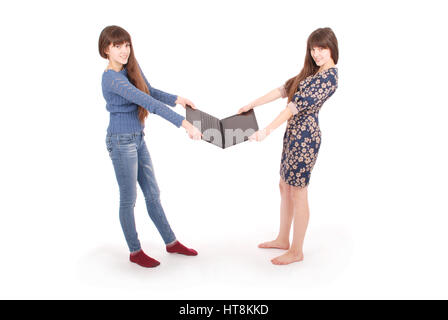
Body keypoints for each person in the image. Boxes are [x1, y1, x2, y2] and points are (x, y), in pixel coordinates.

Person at [99, 25, 202, 268]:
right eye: (117, 46)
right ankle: (135, 252)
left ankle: (171, 242)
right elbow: (146, 101)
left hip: (137, 138)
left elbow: (150, 91)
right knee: (129, 199)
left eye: (127, 45)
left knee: (153, 194)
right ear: (106, 50)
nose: (124, 51)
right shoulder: (111, 79)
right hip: (120, 141)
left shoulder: (129, 69)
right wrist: (185, 124)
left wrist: (177, 99)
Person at [238, 27, 339, 265]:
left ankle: (297, 250)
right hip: (293, 133)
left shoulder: (329, 77)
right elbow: (284, 90)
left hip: (305, 136)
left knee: (298, 190)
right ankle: (283, 239)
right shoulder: (312, 72)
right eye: (313, 49)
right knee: (284, 185)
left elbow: (294, 107)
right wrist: (251, 104)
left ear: (332, 48)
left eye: (321, 49)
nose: (316, 54)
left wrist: (266, 130)